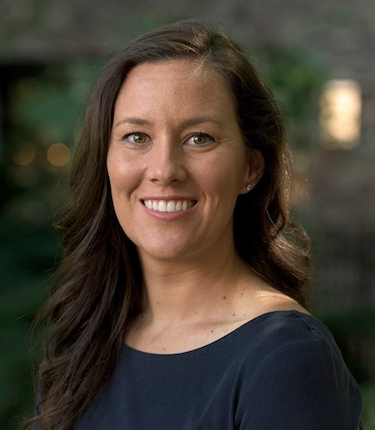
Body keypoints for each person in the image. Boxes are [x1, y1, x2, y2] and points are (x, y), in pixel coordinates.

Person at [24, 19, 363, 430]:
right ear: (106, 161)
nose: (164, 170)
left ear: (250, 168)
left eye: (199, 138)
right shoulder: (81, 342)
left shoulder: (286, 358)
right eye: (136, 137)